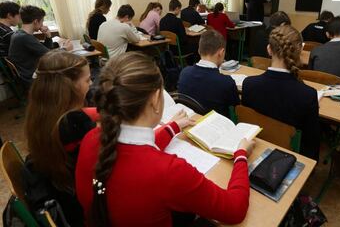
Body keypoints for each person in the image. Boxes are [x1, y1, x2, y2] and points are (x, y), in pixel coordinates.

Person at [75, 52, 254, 226]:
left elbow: (135, 151)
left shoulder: (91, 139)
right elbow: (234, 210)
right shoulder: (169, 172)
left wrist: (172, 127)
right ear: (155, 98)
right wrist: (240, 156)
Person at [23, 51, 95, 226]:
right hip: (82, 208)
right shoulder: (74, 124)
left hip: (61, 185)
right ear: (69, 87)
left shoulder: (43, 113)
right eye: (87, 80)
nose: (91, 83)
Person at [242, 25, 320, 161]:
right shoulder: (308, 95)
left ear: (268, 49)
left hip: (256, 148)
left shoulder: (249, 84)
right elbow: (311, 143)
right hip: (289, 157)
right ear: (299, 50)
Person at [178, 30, 239, 117]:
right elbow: (236, 106)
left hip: (190, 123)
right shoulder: (226, 82)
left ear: (199, 50)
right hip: (217, 127)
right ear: (221, 53)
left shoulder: (184, 73)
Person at [9, 5, 72, 87]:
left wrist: (48, 36)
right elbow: (50, 56)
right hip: (31, 78)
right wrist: (65, 49)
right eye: (42, 21)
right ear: (36, 21)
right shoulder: (25, 38)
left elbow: (45, 50)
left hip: (26, 75)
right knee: (68, 72)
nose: (43, 24)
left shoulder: (18, 34)